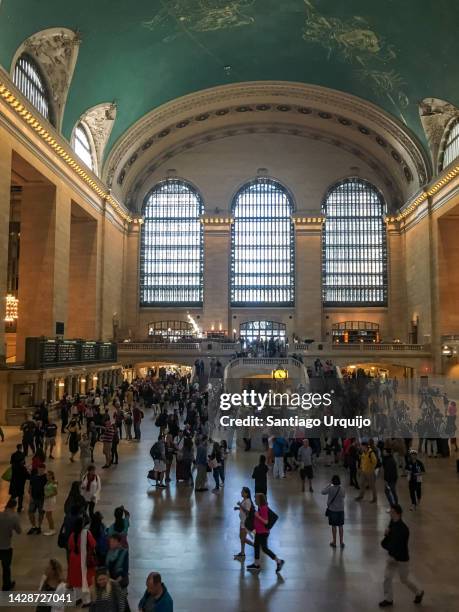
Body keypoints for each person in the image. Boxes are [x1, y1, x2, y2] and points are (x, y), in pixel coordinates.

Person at [379, 504, 424, 607]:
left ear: (396, 513)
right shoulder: (392, 524)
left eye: (391, 512)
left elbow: (397, 545)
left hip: (401, 558)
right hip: (392, 556)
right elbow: (389, 541)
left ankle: (419, 592)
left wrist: (387, 539)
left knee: (404, 579)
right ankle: (388, 599)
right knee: (387, 577)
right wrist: (387, 534)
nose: (390, 514)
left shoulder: (403, 529)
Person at [246, 493, 284, 574]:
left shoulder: (263, 508)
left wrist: (257, 516)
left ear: (260, 500)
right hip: (259, 532)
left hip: (263, 533)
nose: (255, 500)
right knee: (256, 546)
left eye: (256, 498)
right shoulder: (260, 508)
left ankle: (279, 561)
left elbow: (266, 521)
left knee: (264, 549)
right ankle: (256, 564)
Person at [67, 517, 97, 606]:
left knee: (76, 579)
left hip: (73, 560)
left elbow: (69, 546)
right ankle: (86, 601)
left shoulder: (72, 534)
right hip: (84, 559)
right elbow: (93, 544)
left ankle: (77, 598)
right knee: (85, 580)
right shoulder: (86, 533)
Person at [0, 498, 21, 591]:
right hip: (6, 547)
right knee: (6, 567)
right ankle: (6, 585)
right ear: (14, 507)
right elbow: (19, 531)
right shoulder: (14, 517)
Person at [105, 534, 129, 610]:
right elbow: (107, 566)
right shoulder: (109, 552)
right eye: (110, 542)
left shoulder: (124, 552)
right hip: (111, 582)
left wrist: (116, 582)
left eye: (113, 542)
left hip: (120, 582)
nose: (111, 543)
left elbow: (125, 570)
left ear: (118, 542)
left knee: (121, 602)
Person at [321, 475, 345, 549]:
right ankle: (341, 542)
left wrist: (328, 485)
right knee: (340, 526)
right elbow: (344, 496)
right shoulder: (342, 488)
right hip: (341, 510)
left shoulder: (330, 488)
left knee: (333, 526)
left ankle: (334, 542)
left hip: (332, 510)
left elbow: (323, 492)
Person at [233, 487, 253, 561]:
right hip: (242, 521)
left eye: (242, 492)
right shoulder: (245, 500)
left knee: (243, 538)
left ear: (246, 493)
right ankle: (242, 552)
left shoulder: (248, 501)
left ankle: (254, 546)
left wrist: (240, 505)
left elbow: (247, 512)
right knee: (241, 538)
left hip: (245, 522)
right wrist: (238, 508)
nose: (241, 493)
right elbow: (244, 509)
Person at [28, 464, 47, 534]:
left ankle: (39, 526)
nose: (41, 471)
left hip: (42, 499)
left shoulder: (46, 477)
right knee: (30, 512)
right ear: (38, 469)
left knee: (41, 513)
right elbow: (30, 487)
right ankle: (33, 526)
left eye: (42, 470)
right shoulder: (33, 477)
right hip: (33, 498)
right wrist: (30, 497)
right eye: (40, 469)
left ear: (44, 470)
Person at [43, 470, 58, 536]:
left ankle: (52, 530)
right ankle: (51, 529)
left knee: (49, 515)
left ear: (52, 476)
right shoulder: (47, 482)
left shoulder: (54, 482)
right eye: (47, 475)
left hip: (50, 500)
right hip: (47, 499)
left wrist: (47, 496)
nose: (47, 476)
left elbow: (55, 492)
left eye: (49, 475)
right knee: (48, 515)